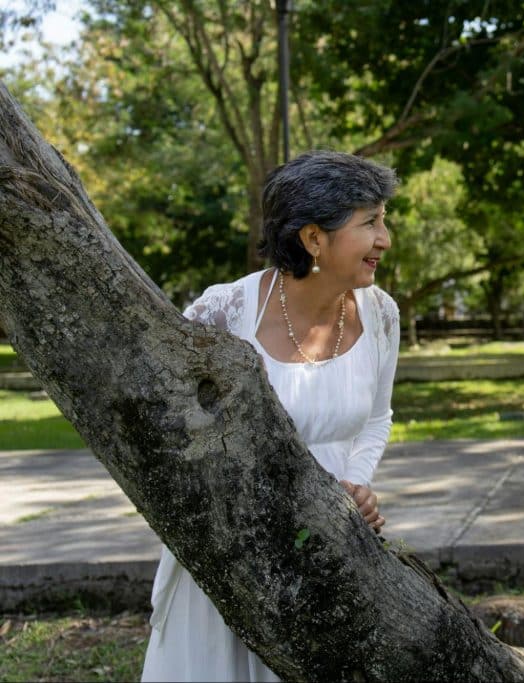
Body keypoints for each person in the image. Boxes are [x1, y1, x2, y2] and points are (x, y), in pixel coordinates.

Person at [141, 150, 400, 682]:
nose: (385, 239)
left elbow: (378, 418)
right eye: (370, 223)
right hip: (232, 558)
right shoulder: (222, 314)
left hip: (335, 554)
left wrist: (355, 488)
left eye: (384, 220)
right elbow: (168, 436)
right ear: (314, 238)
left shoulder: (381, 314)